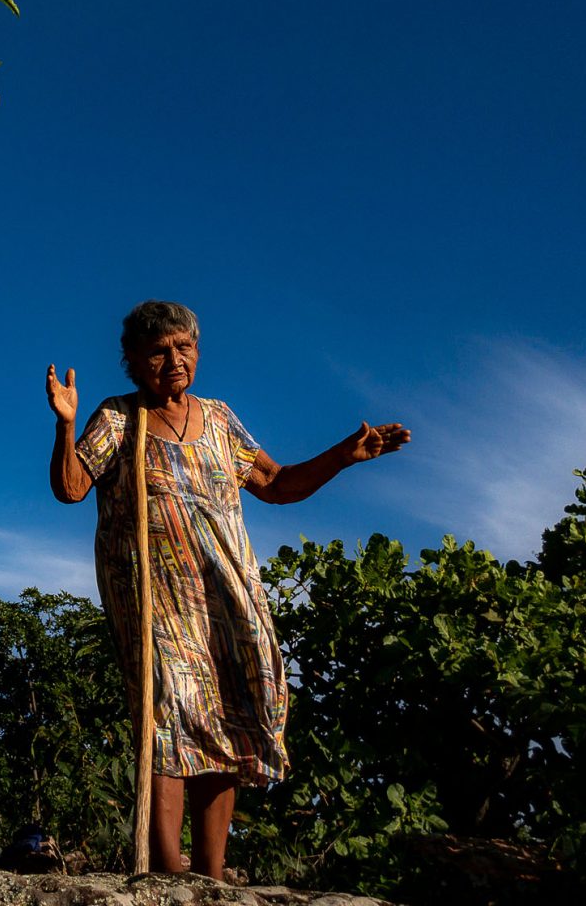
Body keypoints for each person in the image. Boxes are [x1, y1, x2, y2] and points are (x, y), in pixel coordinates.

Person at [46, 300, 410, 881]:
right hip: (156, 595)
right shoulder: (119, 418)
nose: (174, 359)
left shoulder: (218, 419)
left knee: (226, 716)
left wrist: (345, 455)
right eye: (159, 350)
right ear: (134, 362)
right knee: (168, 712)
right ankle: (166, 876)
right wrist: (66, 424)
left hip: (226, 591)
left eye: (184, 347)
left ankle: (211, 879)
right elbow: (71, 488)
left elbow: (276, 484)